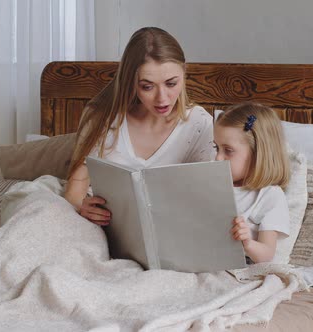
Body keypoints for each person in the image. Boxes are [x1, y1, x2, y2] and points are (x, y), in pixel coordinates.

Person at [64, 27, 215, 225]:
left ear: (184, 73)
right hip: (102, 227)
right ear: (131, 82)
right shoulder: (102, 118)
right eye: (147, 86)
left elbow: (210, 197)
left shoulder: (199, 124)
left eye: (171, 84)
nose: (162, 98)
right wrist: (81, 206)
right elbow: (74, 191)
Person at [213, 102, 290, 263]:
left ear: (257, 154)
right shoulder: (214, 184)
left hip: (241, 268)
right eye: (216, 148)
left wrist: (247, 243)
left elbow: (267, 255)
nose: (218, 158)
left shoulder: (270, 196)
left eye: (228, 150)